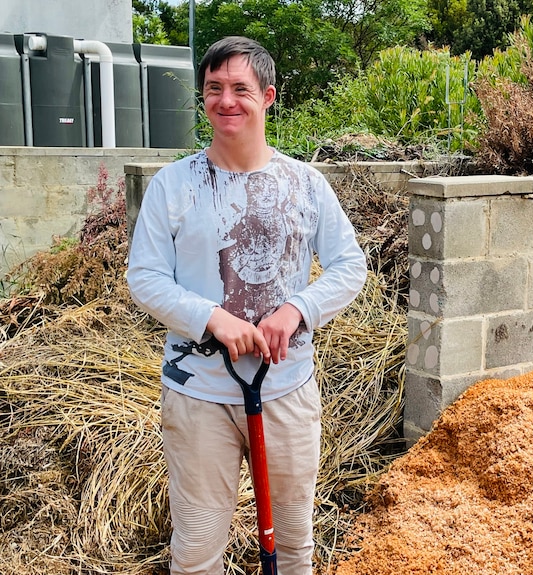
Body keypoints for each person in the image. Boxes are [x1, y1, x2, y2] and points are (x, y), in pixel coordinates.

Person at [126, 36, 367, 575]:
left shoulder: (305, 184)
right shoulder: (174, 185)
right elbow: (143, 276)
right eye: (214, 89)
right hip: (198, 397)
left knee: (293, 543)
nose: (226, 100)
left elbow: (351, 266)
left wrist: (298, 308)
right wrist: (212, 318)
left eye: (240, 88)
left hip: (286, 390)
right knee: (197, 547)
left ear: (268, 96)